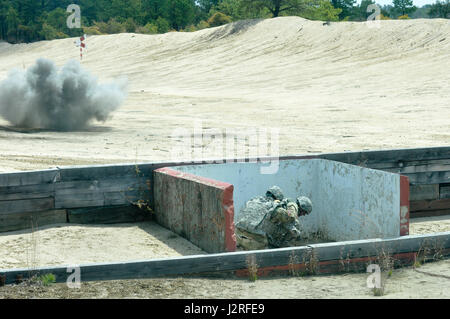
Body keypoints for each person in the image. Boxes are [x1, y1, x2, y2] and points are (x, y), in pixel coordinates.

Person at [235, 186, 312, 250]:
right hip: (255, 239)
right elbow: (289, 217)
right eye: (303, 213)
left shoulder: (254, 200)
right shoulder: (275, 207)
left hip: (238, 233)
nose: (302, 215)